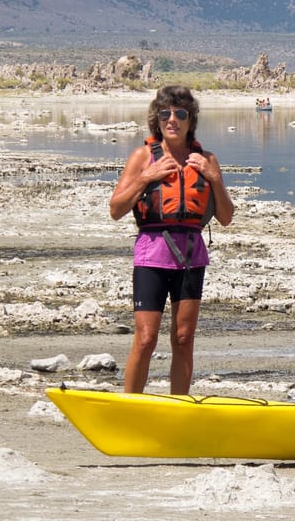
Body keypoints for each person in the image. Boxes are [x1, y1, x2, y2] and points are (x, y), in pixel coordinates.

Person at [110, 85, 234, 394]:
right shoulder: (142, 157)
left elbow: (226, 217)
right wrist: (146, 177)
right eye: (165, 114)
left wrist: (215, 179)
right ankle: (132, 406)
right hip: (152, 254)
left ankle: (178, 406)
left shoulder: (206, 160)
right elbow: (116, 209)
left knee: (183, 338)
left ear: (191, 120)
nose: (172, 120)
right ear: (157, 119)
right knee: (146, 337)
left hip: (191, 257)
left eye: (180, 114)